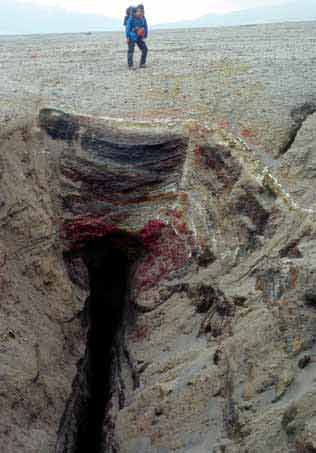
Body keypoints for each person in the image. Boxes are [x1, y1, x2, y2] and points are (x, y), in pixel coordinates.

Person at [125, 5, 148, 69]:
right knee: (131, 51)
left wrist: (145, 35)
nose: (140, 13)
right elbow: (127, 28)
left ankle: (142, 64)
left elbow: (145, 27)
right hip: (131, 36)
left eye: (142, 11)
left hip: (139, 36)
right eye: (139, 11)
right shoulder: (131, 18)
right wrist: (127, 37)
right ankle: (130, 66)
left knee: (145, 49)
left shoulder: (143, 18)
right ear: (135, 12)